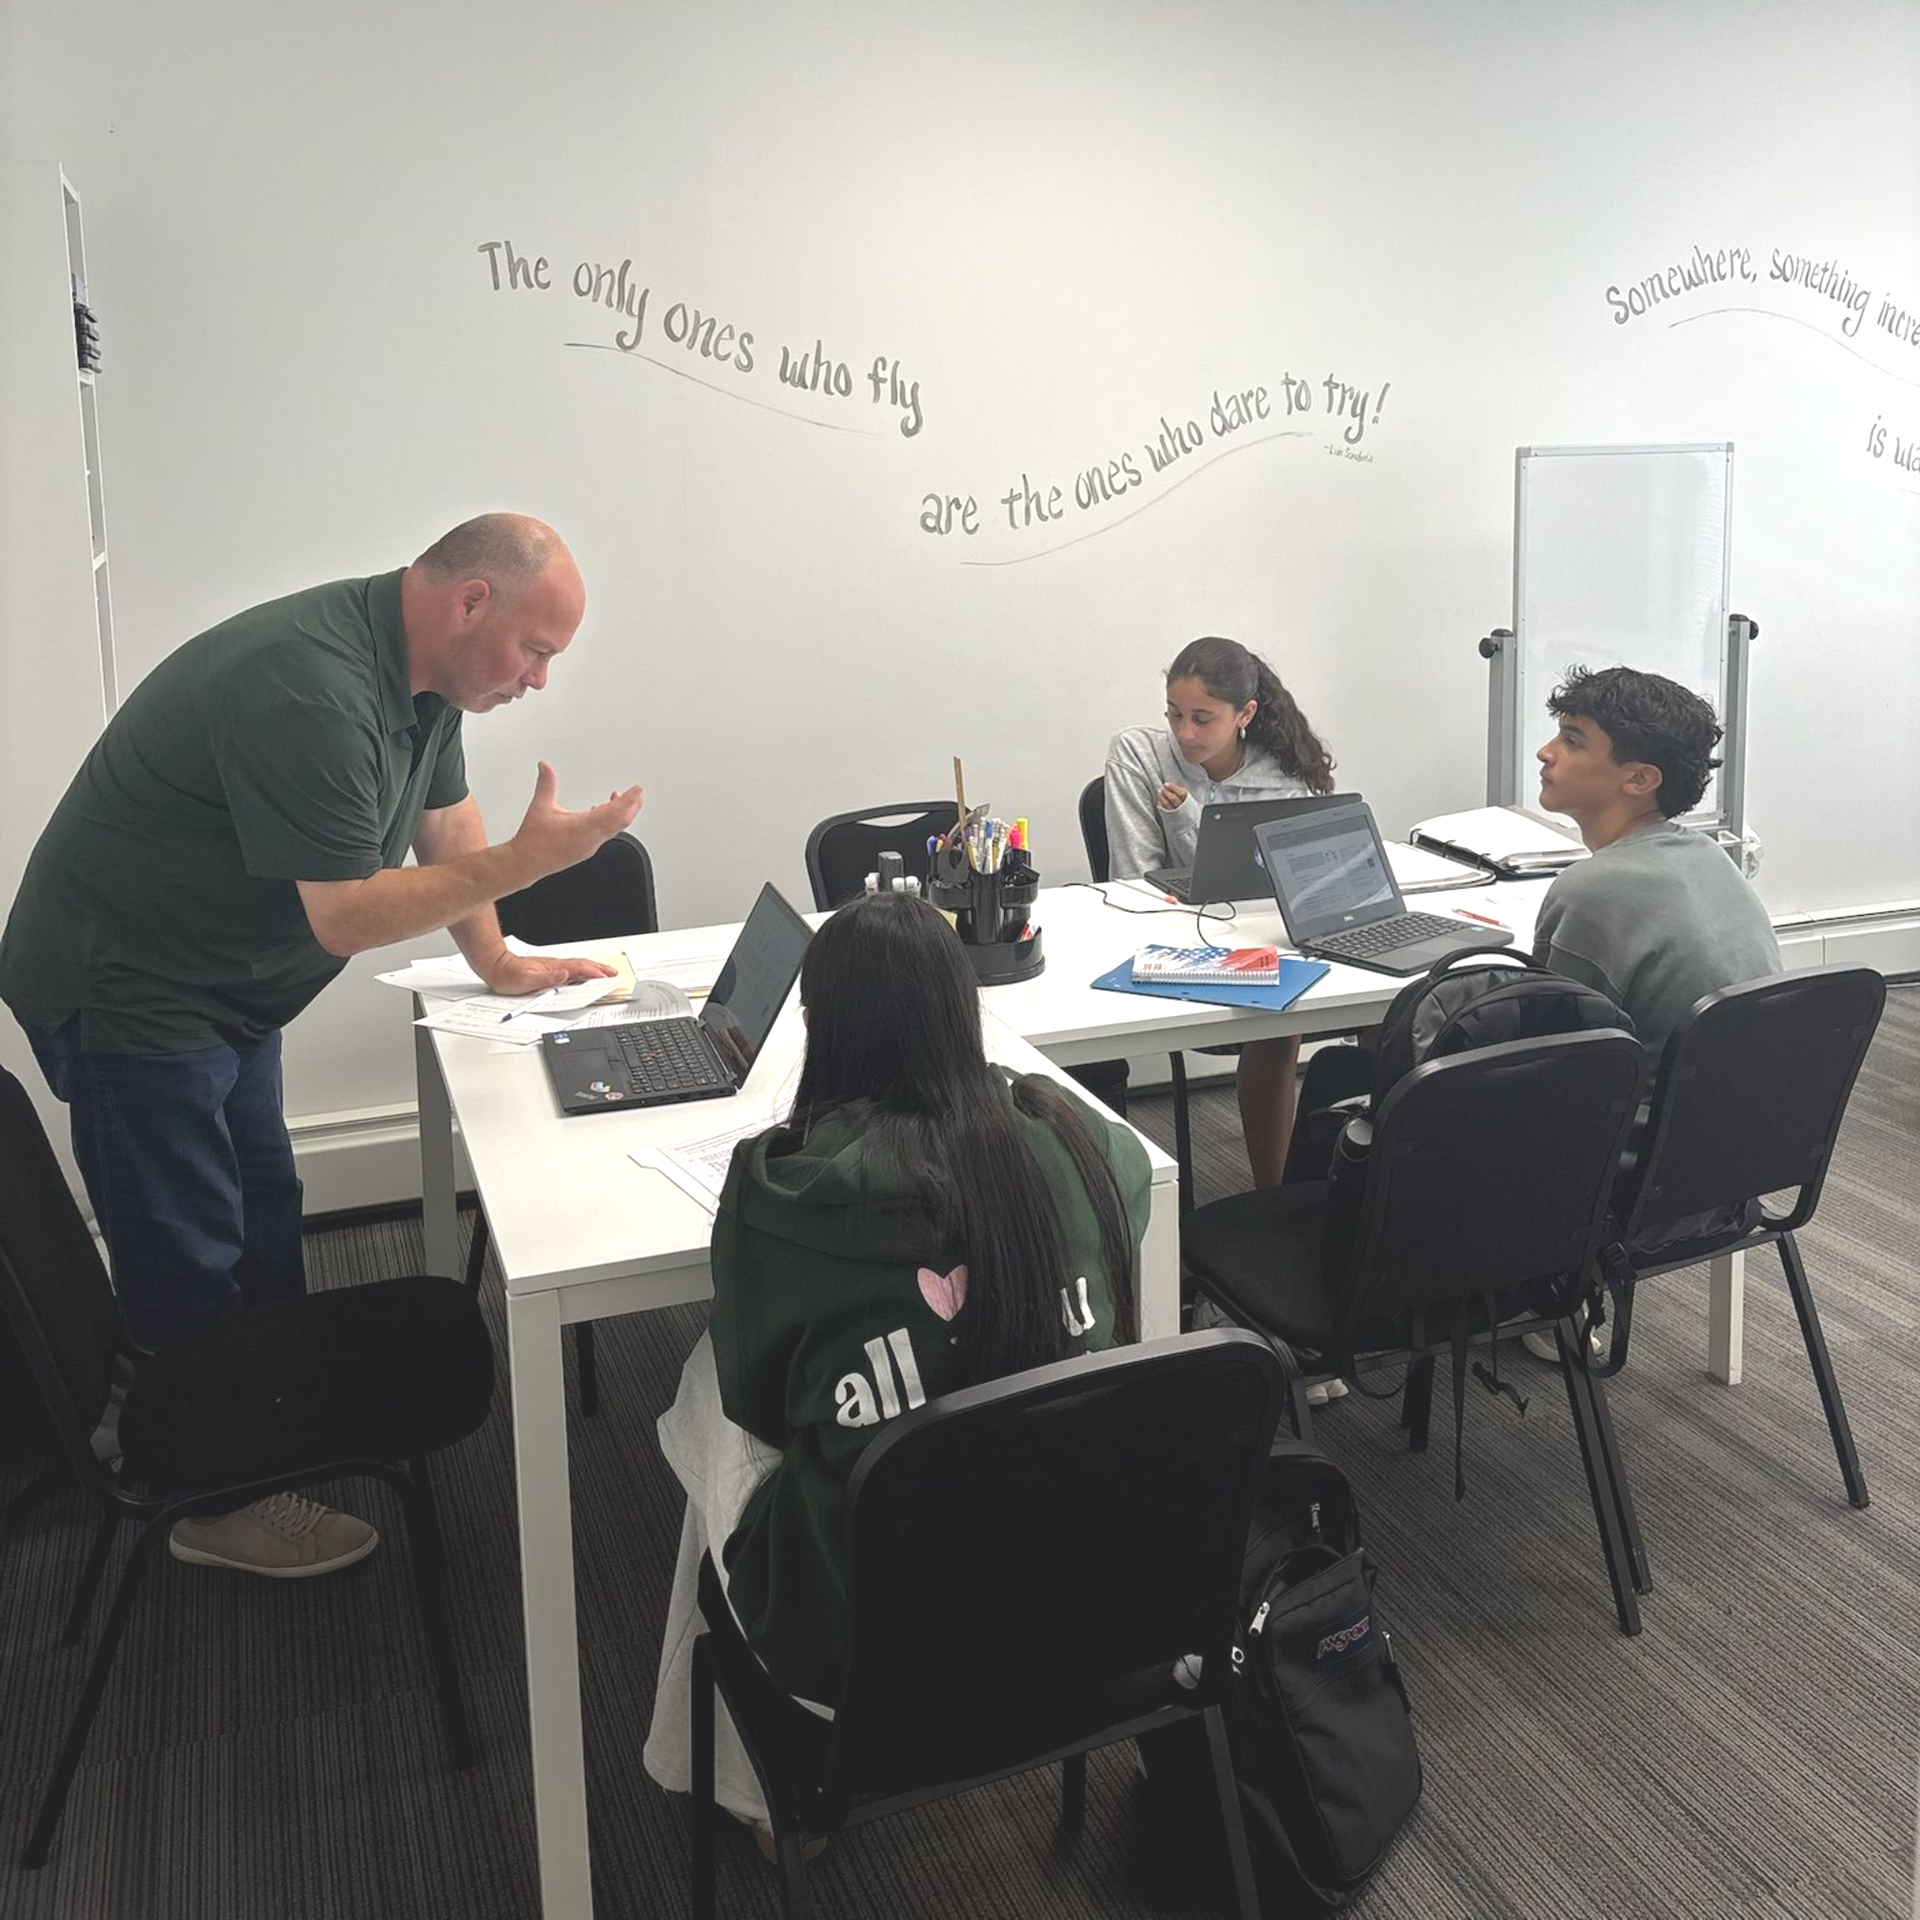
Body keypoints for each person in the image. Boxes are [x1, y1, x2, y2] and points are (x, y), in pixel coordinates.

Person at [0, 513, 644, 1574]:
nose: (536, 681)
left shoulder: (425, 678)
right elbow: (346, 913)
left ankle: (256, 1420)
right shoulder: (310, 686)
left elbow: (445, 820)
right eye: (535, 651)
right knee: (187, 1243)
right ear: (468, 603)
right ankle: (207, 1495)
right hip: (130, 987)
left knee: (261, 1209)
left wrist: (499, 962)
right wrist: (528, 866)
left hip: (221, 991)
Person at [642, 891, 1150, 1831]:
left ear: (821, 1030)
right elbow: (1129, 1227)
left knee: (709, 1383)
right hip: (1077, 1605)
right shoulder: (1087, 1145)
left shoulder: (776, 1194)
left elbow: (757, 1409)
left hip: (854, 1653)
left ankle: (747, 1791)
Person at [1104, 635, 1337, 1188]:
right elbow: (1138, 878)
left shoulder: (1285, 777)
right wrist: (1188, 823)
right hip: (1164, 939)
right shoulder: (1139, 753)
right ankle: (1270, 1195)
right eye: (1175, 714)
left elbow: (1286, 883)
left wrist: (1188, 819)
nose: (1184, 733)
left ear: (1245, 714)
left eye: (1203, 719)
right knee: (1275, 1019)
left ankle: (1291, 1193)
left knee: (1312, 1014)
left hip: (1259, 936)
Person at [1532, 665, 1779, 1064]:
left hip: (1632, 1120)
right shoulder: (1707, 854)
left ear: (1640, 780)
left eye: (1573, 742)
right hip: (1735, 1110)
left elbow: (1547, 1048)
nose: (1545, 752)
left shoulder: (1591, 889)